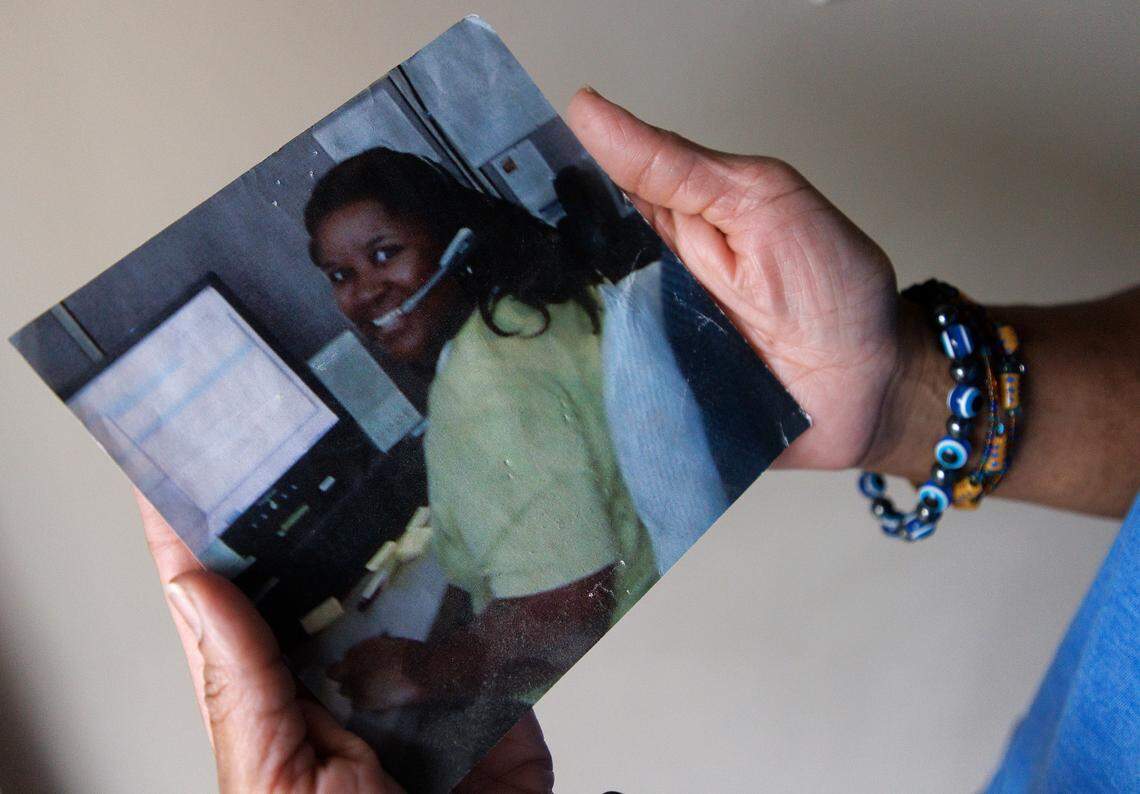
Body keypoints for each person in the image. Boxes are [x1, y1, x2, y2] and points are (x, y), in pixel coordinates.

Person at [141, 86, 1139, 791]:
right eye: (339, 275)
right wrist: (907, 388)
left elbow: (567, 603)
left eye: (382, 253)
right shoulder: (517, 324)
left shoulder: (492, 388)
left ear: (452, 235)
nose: (361, 295)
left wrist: (419, 670)